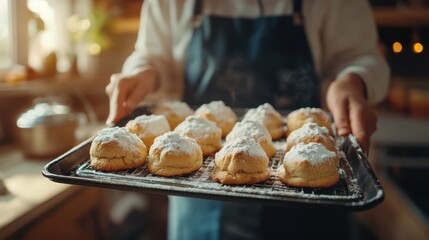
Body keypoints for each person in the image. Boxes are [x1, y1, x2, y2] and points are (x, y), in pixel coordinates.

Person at [105, 0, 390, 239]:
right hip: (199, 197)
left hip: (311, 197)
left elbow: (362, 56)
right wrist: (141, 72)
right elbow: (151, 54)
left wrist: (353, 80)